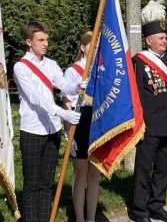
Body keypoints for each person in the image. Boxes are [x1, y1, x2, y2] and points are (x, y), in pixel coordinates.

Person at [13, 21, 82, 222]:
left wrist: (78, 85)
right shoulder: (20, 67)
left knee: (46, 182)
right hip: (33, 130)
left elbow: (64, 86)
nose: (45, 44)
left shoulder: (51, 64)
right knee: (32, 183)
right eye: (40, 40)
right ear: (29, 42)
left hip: (52, 130)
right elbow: (36, 99)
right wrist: (63, 113)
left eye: (46, 40)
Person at [129, 0, 167, 222]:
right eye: (161, 38)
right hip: (149, 124)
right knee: (144, 168)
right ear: (149, 41)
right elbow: (135, 94)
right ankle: (139, 210)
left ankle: (157, 205)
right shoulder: (139, 62)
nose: (165, 41)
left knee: (164, 168)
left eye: (165, 38)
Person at [63, 31, 100, 222]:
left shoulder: (100, 70)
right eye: (91, 45)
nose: (94, 49)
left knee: (94, 174)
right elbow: (67, 102)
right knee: (81, 173)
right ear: (83, 48)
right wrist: (69, 129)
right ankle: (79, 217)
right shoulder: (73, 71)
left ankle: (91, 218)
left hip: (97, 121)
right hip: (81, 122)